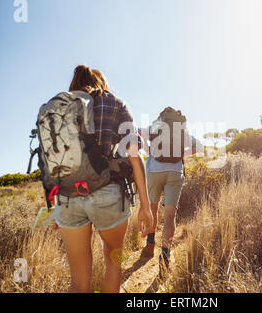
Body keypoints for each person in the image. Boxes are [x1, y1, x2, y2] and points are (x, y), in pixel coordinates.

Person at [53, 65, 153, 293]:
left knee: (78, 282)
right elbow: (135, 156)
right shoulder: (116, 103)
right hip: (107, 192)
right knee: (113, 262)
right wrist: (146, 206)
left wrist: (53, 206)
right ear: (101, 82)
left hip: (69, 195)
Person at [139, 110, 204, 273]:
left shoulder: (154, 127)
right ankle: (165, 255)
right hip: (175, 172)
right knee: (169, 216)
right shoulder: (182, 131)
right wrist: (181, 153)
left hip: (154, 171)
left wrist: (149, 150)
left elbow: (137, 132)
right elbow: (199, 147)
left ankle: (150, 245)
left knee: (152, 209)